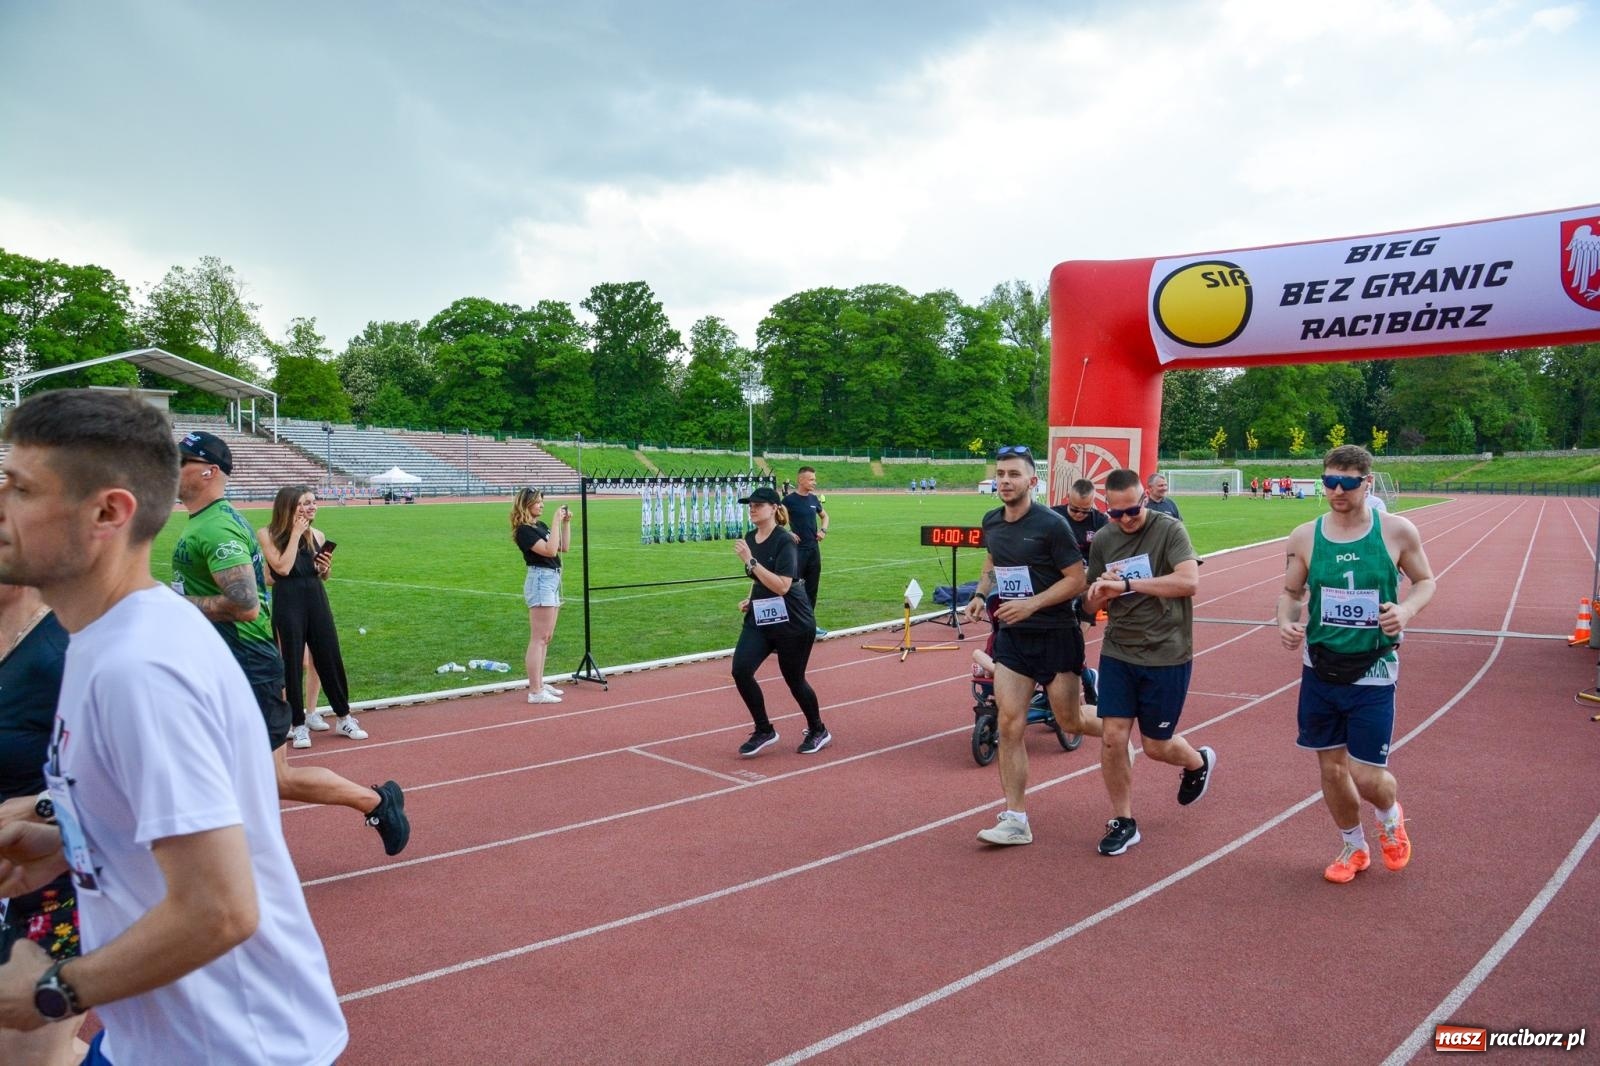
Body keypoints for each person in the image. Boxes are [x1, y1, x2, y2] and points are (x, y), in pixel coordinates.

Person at [0, 390, 348, 1064]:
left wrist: (49, 991)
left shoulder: (139, 669)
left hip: (233, 1049)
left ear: (108, 512)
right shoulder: (104, 638)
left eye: (19, 487)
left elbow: (221, 909)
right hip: (159, 1042)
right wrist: (58, 836)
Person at [171, 431, 409, 857]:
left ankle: (375, 802)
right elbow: (259, 584)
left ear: (207, 471)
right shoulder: (213, 522)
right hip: (224, 662)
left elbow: (243, 604)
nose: (172, 468)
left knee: (272, 776)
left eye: (181, 461)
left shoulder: (219, 524)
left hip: (244, 662)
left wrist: (170, 605)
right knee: (221, 768)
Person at [1276, 445, 1436, 884]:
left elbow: (1425, 581)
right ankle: (1354, 846)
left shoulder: (1397, 531)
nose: (1337, 491)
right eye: (1330, 481)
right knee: (1330, 768)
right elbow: (1290, 594)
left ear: (1368, 482)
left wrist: (1404, 612)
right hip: (1320, 666)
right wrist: (1286, 623)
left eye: (1347, 482)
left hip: (1374, 667)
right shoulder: (1305, 536)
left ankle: (1389, 816)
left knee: (1367, 774)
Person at [966, 446, 1103, 846]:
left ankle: (1115, 731)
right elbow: (992, 558)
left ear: (1032, 481)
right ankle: (1015, 818)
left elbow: (1076, 580)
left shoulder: (1051, 525)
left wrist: (1032, 604)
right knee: (1010, 724)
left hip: (1055, 633)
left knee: (1070, 720)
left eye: (1013, 474)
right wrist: (980, 593)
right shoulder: (992, 520)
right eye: (1000, 474)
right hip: (1013, 639)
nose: (1005, 480)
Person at [1084, 468, 1215, 857]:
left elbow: (1189, 582)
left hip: (1167, 651)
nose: (1125, 520)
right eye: (1116, 513)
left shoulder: (1169, 529)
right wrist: (1100, 590)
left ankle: (1195, 762)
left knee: (1156, 746)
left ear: (1145, 500)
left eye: (1132, 512)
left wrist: (1126, 584)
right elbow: (1091, 603)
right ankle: (1123, 820)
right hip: (1119, 651)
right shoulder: (1104, 539)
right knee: (1112, 737)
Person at [0, 582, 85, 1066]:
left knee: (26, 1056)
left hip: (52, 885)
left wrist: (40, 805)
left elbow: (129, 778)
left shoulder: (67, 652)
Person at [257, 486, 367, 749]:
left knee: (329, 656)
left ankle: (343, 716)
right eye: (305, 503)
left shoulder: (318, 534)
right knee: (291, 663)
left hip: (315, 598)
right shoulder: (268, 534)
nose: (312, 507)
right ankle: (298, 725)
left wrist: (324, 569)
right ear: (289, 507)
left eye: (313, 502)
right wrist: (295, 533)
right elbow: (281, 568)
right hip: (288, 602)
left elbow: (321, 575)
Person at [730, 487, 830, 757]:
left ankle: (818, 729)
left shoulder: (785, 541)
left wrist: (750, 561)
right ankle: (764, 730)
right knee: (740, 669)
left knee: (794, 679)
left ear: (774, 508)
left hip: (793, 620)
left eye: (758, 505)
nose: (752, 508)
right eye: (749, 505)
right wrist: (750, 598)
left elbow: (783, 586)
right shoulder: (751, 537)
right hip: (761, 616)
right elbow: (759, 580)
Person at [511, 488, 571, 705]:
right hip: (540, 581)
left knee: (546, 637)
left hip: (551, 580)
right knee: (538, 638)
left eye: (542, 502)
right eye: (537, 502)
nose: (542, 505)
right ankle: (535, 691)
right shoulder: (524, 531)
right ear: (525, 504)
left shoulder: (540, 526)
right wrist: (555, 521)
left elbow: (564, 547)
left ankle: (539, 683)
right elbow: (550, 551)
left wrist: (564, 523)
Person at [782, 466, 830, 637]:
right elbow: (776, 521)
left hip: (813, 551)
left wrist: (823, 530)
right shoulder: (789, 501)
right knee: (794, 590)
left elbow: (825, 516)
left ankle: (810, 626)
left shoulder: (813, 499)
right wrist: (788, 532)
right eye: (811, 479)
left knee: (812, 589)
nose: (814, 482)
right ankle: (789, 627)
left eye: (814, 479)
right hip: (797, 552)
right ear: (801, 480)